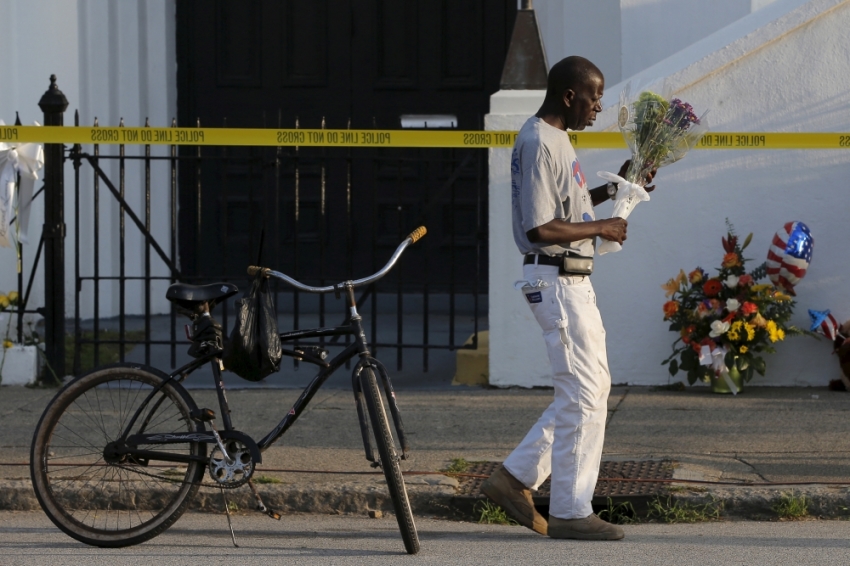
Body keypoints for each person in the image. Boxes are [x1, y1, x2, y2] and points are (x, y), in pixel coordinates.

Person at [480, 55, 655, 541]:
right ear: (569, 95)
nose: (599, 106)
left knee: (589, 389)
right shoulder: (539, 140)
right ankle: (571, 511)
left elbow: (565, 209)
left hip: (572, 280)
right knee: (583, 392)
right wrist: (602, 225)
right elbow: (540, 228)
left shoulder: (557, 140)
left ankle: (513, 479)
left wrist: (612, 189)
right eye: (594, 96)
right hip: (556, 281)